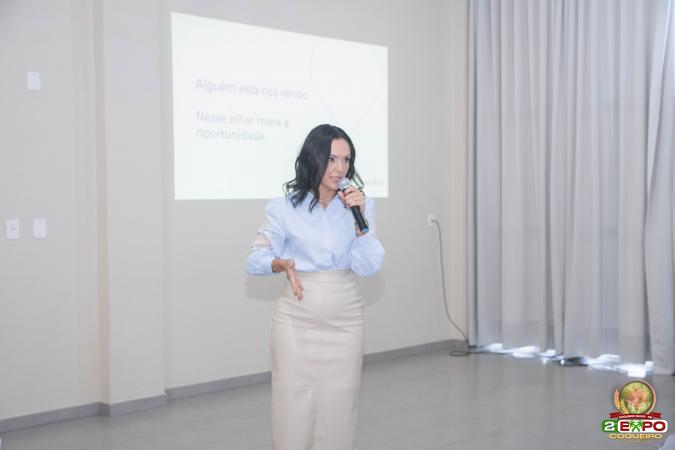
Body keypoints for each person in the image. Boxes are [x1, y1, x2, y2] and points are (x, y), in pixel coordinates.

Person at [245, 124, 385, 450]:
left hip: (345, 319)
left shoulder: (360, 206)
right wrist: (280, 264)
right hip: (296, 319)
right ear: (313, 159)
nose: (340, 168)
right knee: (292, 405)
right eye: (331, 159)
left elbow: (368, 266)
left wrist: (361, 224)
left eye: (346, 160)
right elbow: (253, 260)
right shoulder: (282, 207)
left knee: (340, 406)